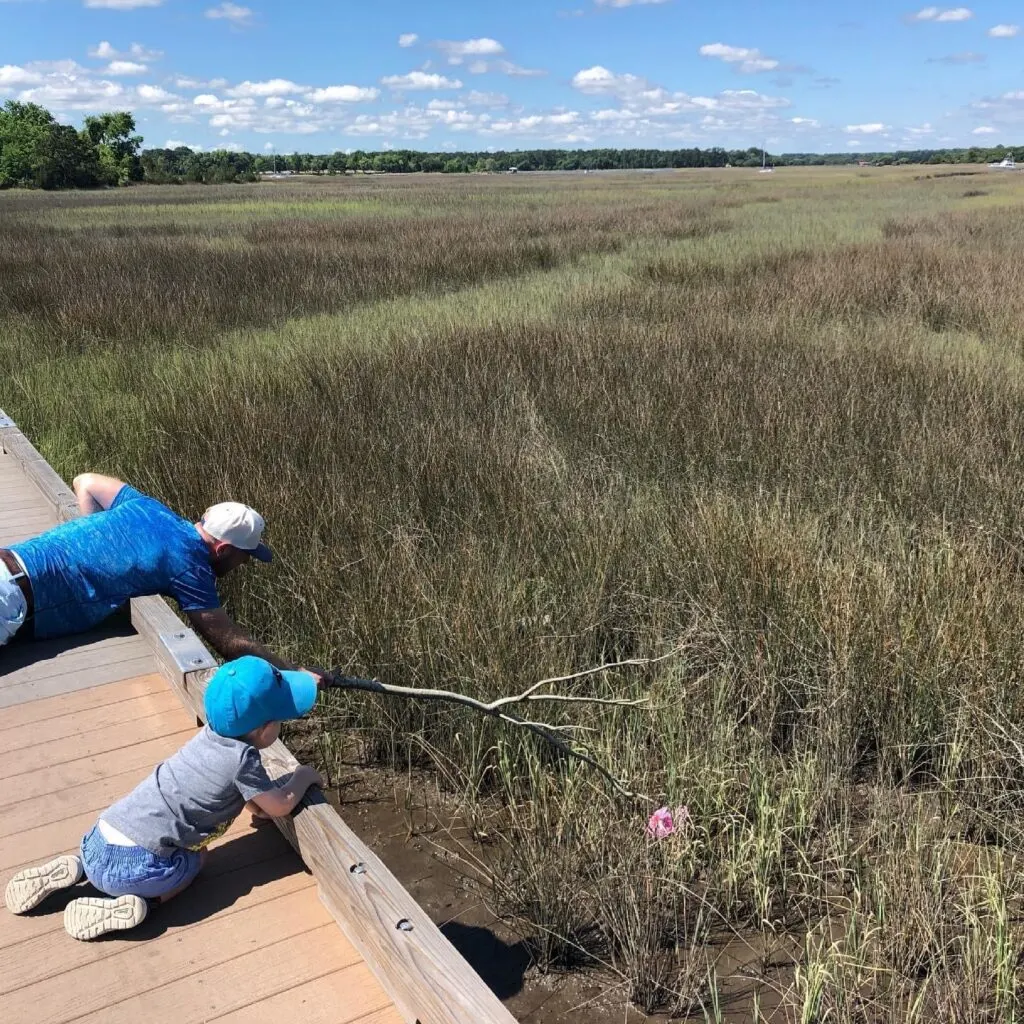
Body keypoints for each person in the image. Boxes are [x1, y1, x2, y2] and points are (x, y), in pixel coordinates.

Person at [3, 655, 325, 940]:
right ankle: (144, 904)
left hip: (98, 839)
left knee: (130, 845)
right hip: (134, 866)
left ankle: (78, 868)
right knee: (197, 859)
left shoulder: (210, 735)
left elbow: (244, 794)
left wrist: (258, 806)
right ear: (265, 730)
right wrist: (304, 776)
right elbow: (281, 804)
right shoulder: (243, 760)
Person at [0, 472, 325, 681]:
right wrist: (293, 671)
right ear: (224, 549)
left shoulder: (148, 507)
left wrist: (96, 540)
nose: (244, 564)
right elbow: (229, 641)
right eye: (245, 557)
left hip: (9, 560)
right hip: (12, 600)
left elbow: (85, 481)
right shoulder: (190, 565)